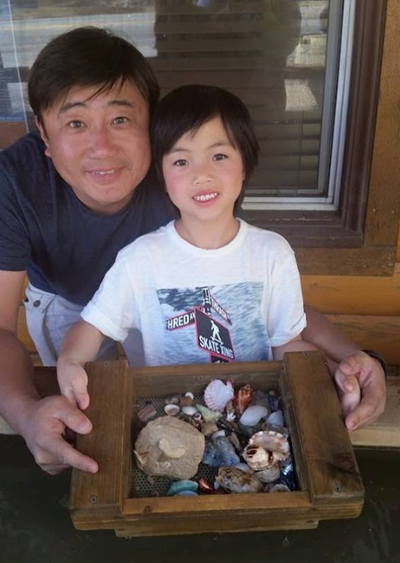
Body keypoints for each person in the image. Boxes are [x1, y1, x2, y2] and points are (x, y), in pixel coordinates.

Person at [0, 27, 385, 476]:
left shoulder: (187, 178)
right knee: (86, 422)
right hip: (69, 303)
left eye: (121, 119)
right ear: (44, 137)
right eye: (75, 122)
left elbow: (257, 302)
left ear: (152, 125)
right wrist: (25, 413)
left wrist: (357, 360)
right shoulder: (17, 184)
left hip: (174, 327)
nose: (101, 147)